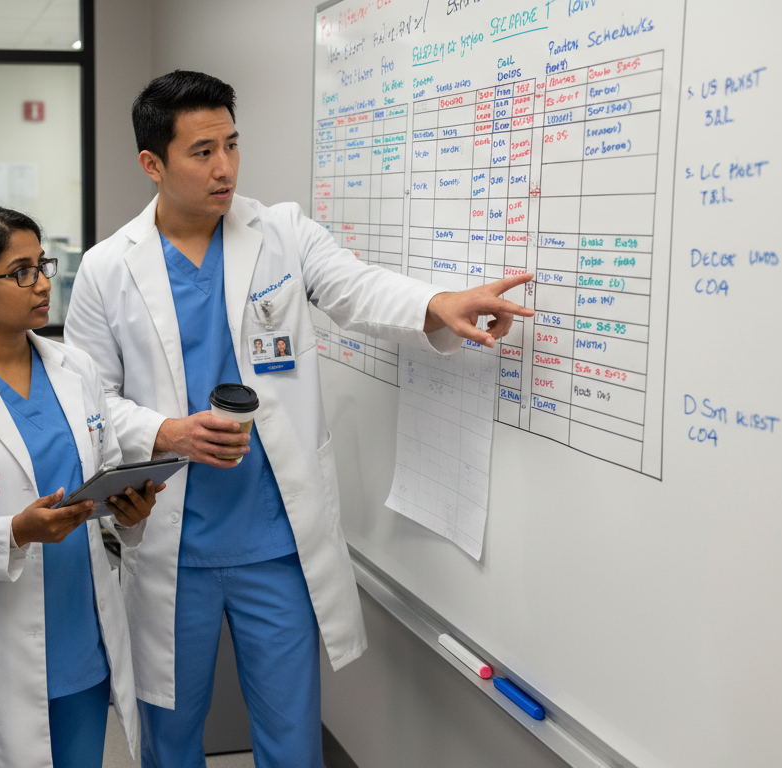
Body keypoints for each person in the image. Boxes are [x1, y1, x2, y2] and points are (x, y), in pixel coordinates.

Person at [64, 70, 533, 766]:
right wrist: (167, 432)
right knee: (170, 743)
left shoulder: (280, 232)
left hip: (274, 545)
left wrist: (439, 304)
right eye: (201, 152)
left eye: (231, 144)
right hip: (172, 547)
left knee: (290, 740)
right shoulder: (108, 269)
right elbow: (88, 396)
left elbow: (356, 288)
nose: (224, 167)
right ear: (152, 164)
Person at [0, 206, 160, 767]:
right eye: (21, 271)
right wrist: (16, 533)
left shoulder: (77, 370)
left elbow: (108, 474)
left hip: (83, 633)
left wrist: (128, 510)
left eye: (42, 265)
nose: (44, 283)